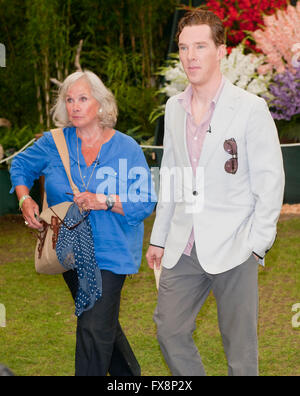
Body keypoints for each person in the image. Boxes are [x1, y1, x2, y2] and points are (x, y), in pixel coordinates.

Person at [146, 10, 285, 376]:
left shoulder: (251, 109)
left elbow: (270, 181)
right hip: (184, 245)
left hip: (235, 244)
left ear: (220, 50)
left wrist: (257, 242)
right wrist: (159, 238)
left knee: (240, 352)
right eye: (183, 48)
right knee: (169, 331)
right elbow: (172, 177)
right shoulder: (173, 109)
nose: (190, 56)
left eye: (200, 46)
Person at [10, 70, 156, 376]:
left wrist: (104, 200)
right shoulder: (54, 142)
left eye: (83, 99)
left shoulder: (126, 148)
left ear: (100, 105)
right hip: (70, 251)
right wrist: (25, 199)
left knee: (92, 326)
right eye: (69, 100)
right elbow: (21, 165)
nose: (75, 106)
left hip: (112, 253)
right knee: (101, 324)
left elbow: (145, 200)